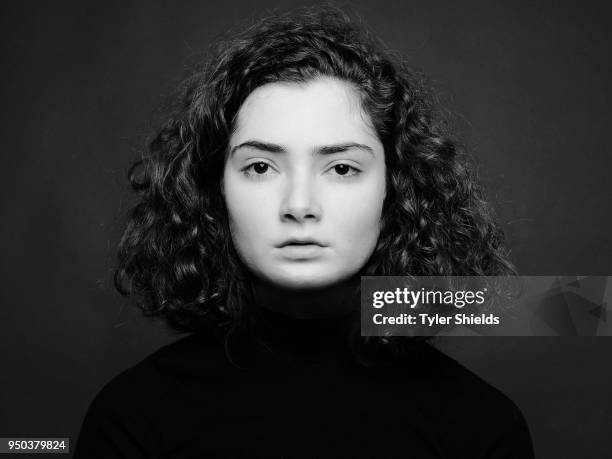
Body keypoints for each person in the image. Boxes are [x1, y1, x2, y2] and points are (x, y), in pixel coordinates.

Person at [75, 6, 534, 458]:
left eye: (340, 167)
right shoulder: (132, 420)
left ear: (395, 189)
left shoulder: (481, 429)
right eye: (260, 166)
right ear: (213, 190)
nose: (299, 206)